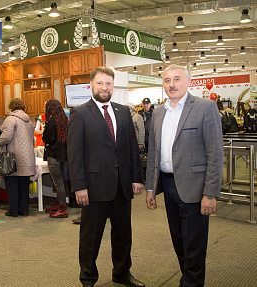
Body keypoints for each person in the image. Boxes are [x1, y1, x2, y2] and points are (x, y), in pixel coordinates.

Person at [145, 64, 224, 287]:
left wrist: (210, 193)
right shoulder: (159, 112)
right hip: (168, 188)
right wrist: (151, 188)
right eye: (167, 80)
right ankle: (188, 280)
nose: (172, 84)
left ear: (188, 82)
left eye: (177, 79)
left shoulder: (205, 108)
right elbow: (154, 153)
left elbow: (215, 153)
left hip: (195, 189)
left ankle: (192, 283)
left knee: (194, 247)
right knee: (179, 243)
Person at [67, 67, 144, 287]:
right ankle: (88, 278)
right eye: (100, 83)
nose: (104, 88)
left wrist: (136, 178)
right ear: (91, 84)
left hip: (122, 187)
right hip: (94, 188)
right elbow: (75, 154)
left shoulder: (123, 112)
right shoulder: (80, 113)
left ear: (113, 86)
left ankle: (121, 273)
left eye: (108, 84)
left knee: (123, 236)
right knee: (91, 238)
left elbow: (131, 149)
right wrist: (79, 186)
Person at [0, 98, 35, 217]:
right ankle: (24, 210)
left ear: (11, 107)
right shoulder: (28, 120)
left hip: (14, 157)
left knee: (12, 184)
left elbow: (6, 138)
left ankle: (13, 210)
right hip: (27, 155)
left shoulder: (10, 119)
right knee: (24, 185)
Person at [43, 99, 69, 218]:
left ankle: (62, 208)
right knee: (60, 182)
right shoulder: (64, 120)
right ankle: (59, 204)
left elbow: (46, 139)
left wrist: (45, 129)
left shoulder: (52, 122)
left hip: (53, 155)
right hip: (62, 155)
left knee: (58, 183)